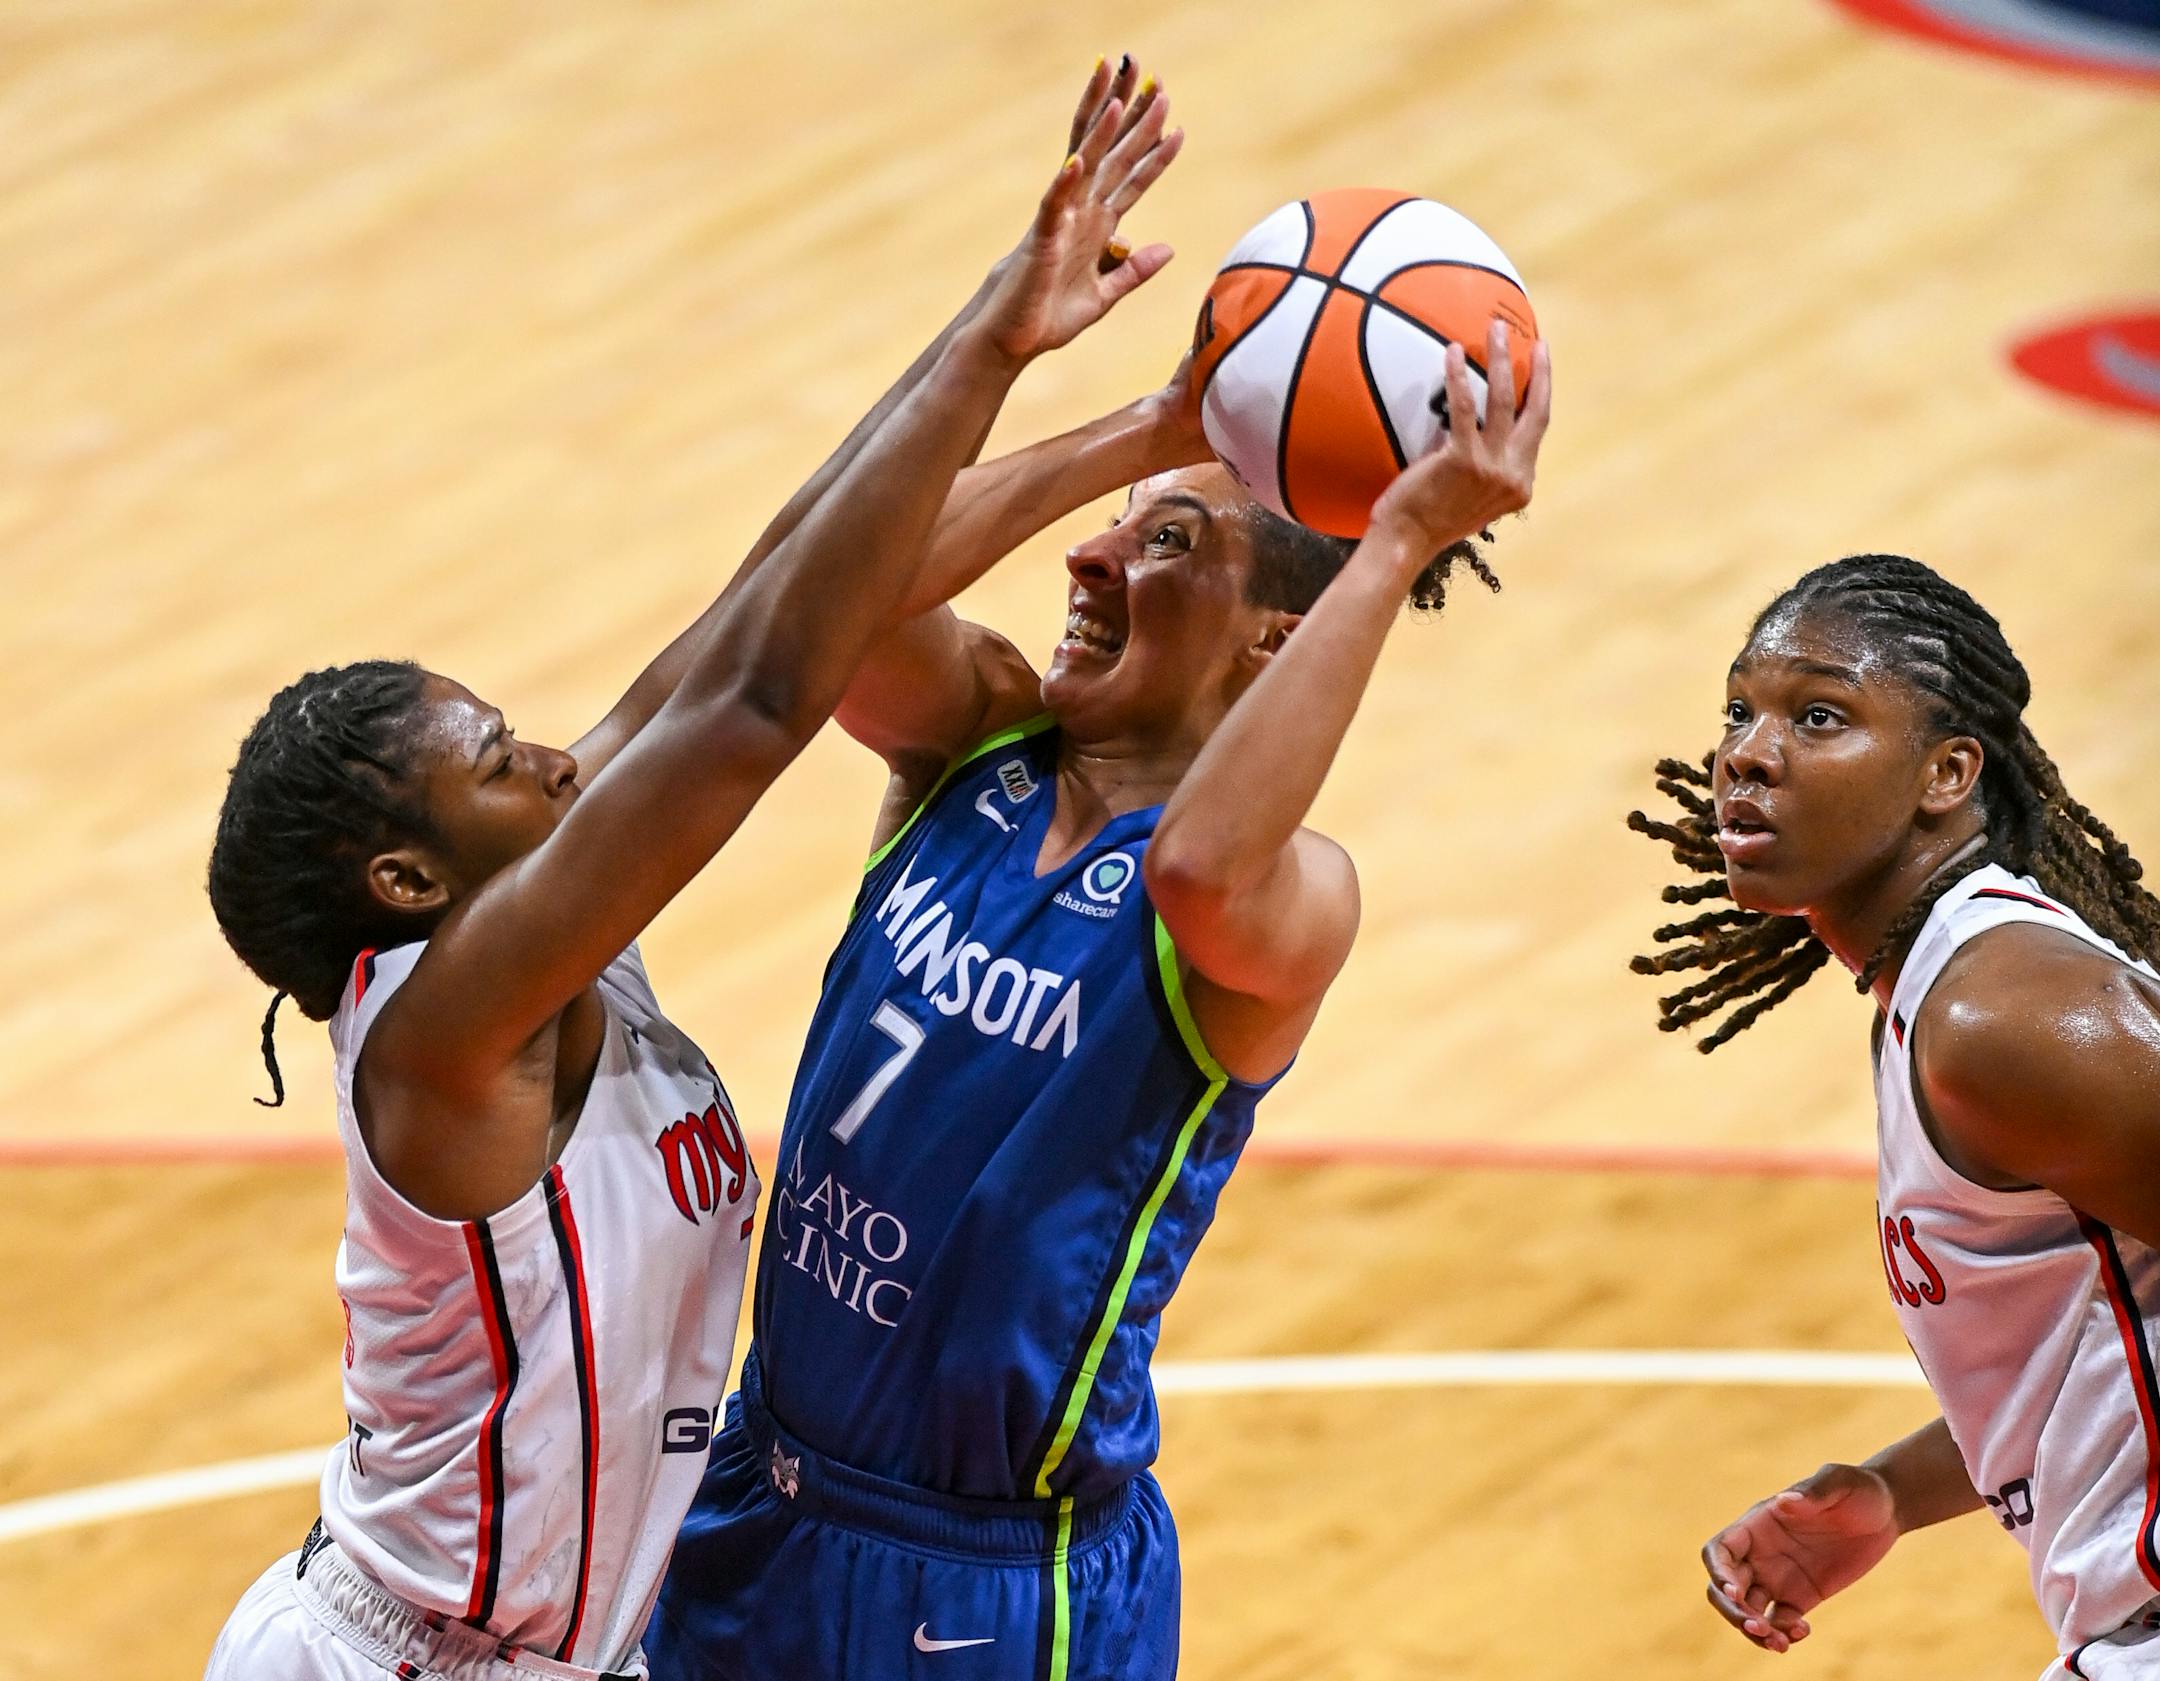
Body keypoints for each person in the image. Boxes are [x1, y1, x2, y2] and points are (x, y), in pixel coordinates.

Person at [198, 66, 1184, 1681]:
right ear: (402, 877)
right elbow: (760, 696)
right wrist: (999, 346)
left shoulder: (550, 912)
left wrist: (1119, 413)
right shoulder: (450, 1038)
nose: (557, 760)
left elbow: (794, 593)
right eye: (498, 756)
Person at [644, 73, 1556, 1676]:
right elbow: (816, 609)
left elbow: (1204, 860)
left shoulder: (1284, 906)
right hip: (755, 1503)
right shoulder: (976, 740)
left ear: (1276, 639)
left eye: (1167, 545)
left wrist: (1400, 541)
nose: (1089, 558)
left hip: (992, 1590)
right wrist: (1143, 430)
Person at [1628, 555, 2160, 1680]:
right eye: (1740, 710)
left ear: (1947, 773)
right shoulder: (1939, 996)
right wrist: (1892, 1494)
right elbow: (2091, 1353)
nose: (1747, 753)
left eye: (1818, 717)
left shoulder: (2004, 1013)